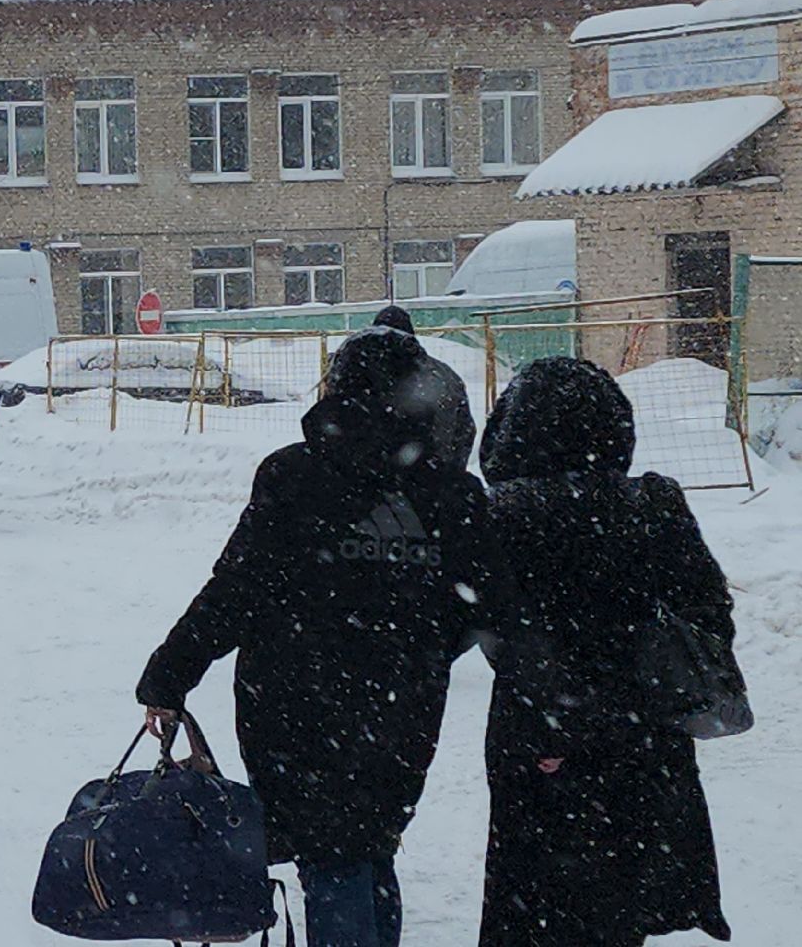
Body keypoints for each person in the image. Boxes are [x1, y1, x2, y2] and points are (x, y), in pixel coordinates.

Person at [135, 318, 498, 947]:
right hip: (402, 706)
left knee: (332, 856)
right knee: (370, 844)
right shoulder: (452, 492)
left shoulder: (294, 475)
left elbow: (237, 590)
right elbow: (478, 607)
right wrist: (422, 651)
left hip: (291, 700)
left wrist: (170, 674)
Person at [477, 358, 733, 947]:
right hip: (644, 737)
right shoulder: (655, 504)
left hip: (539, 737)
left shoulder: (505, 512)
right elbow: (709, 613)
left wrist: (555, 715)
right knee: (620, 896)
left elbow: (497, 630)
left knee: (533, 899)